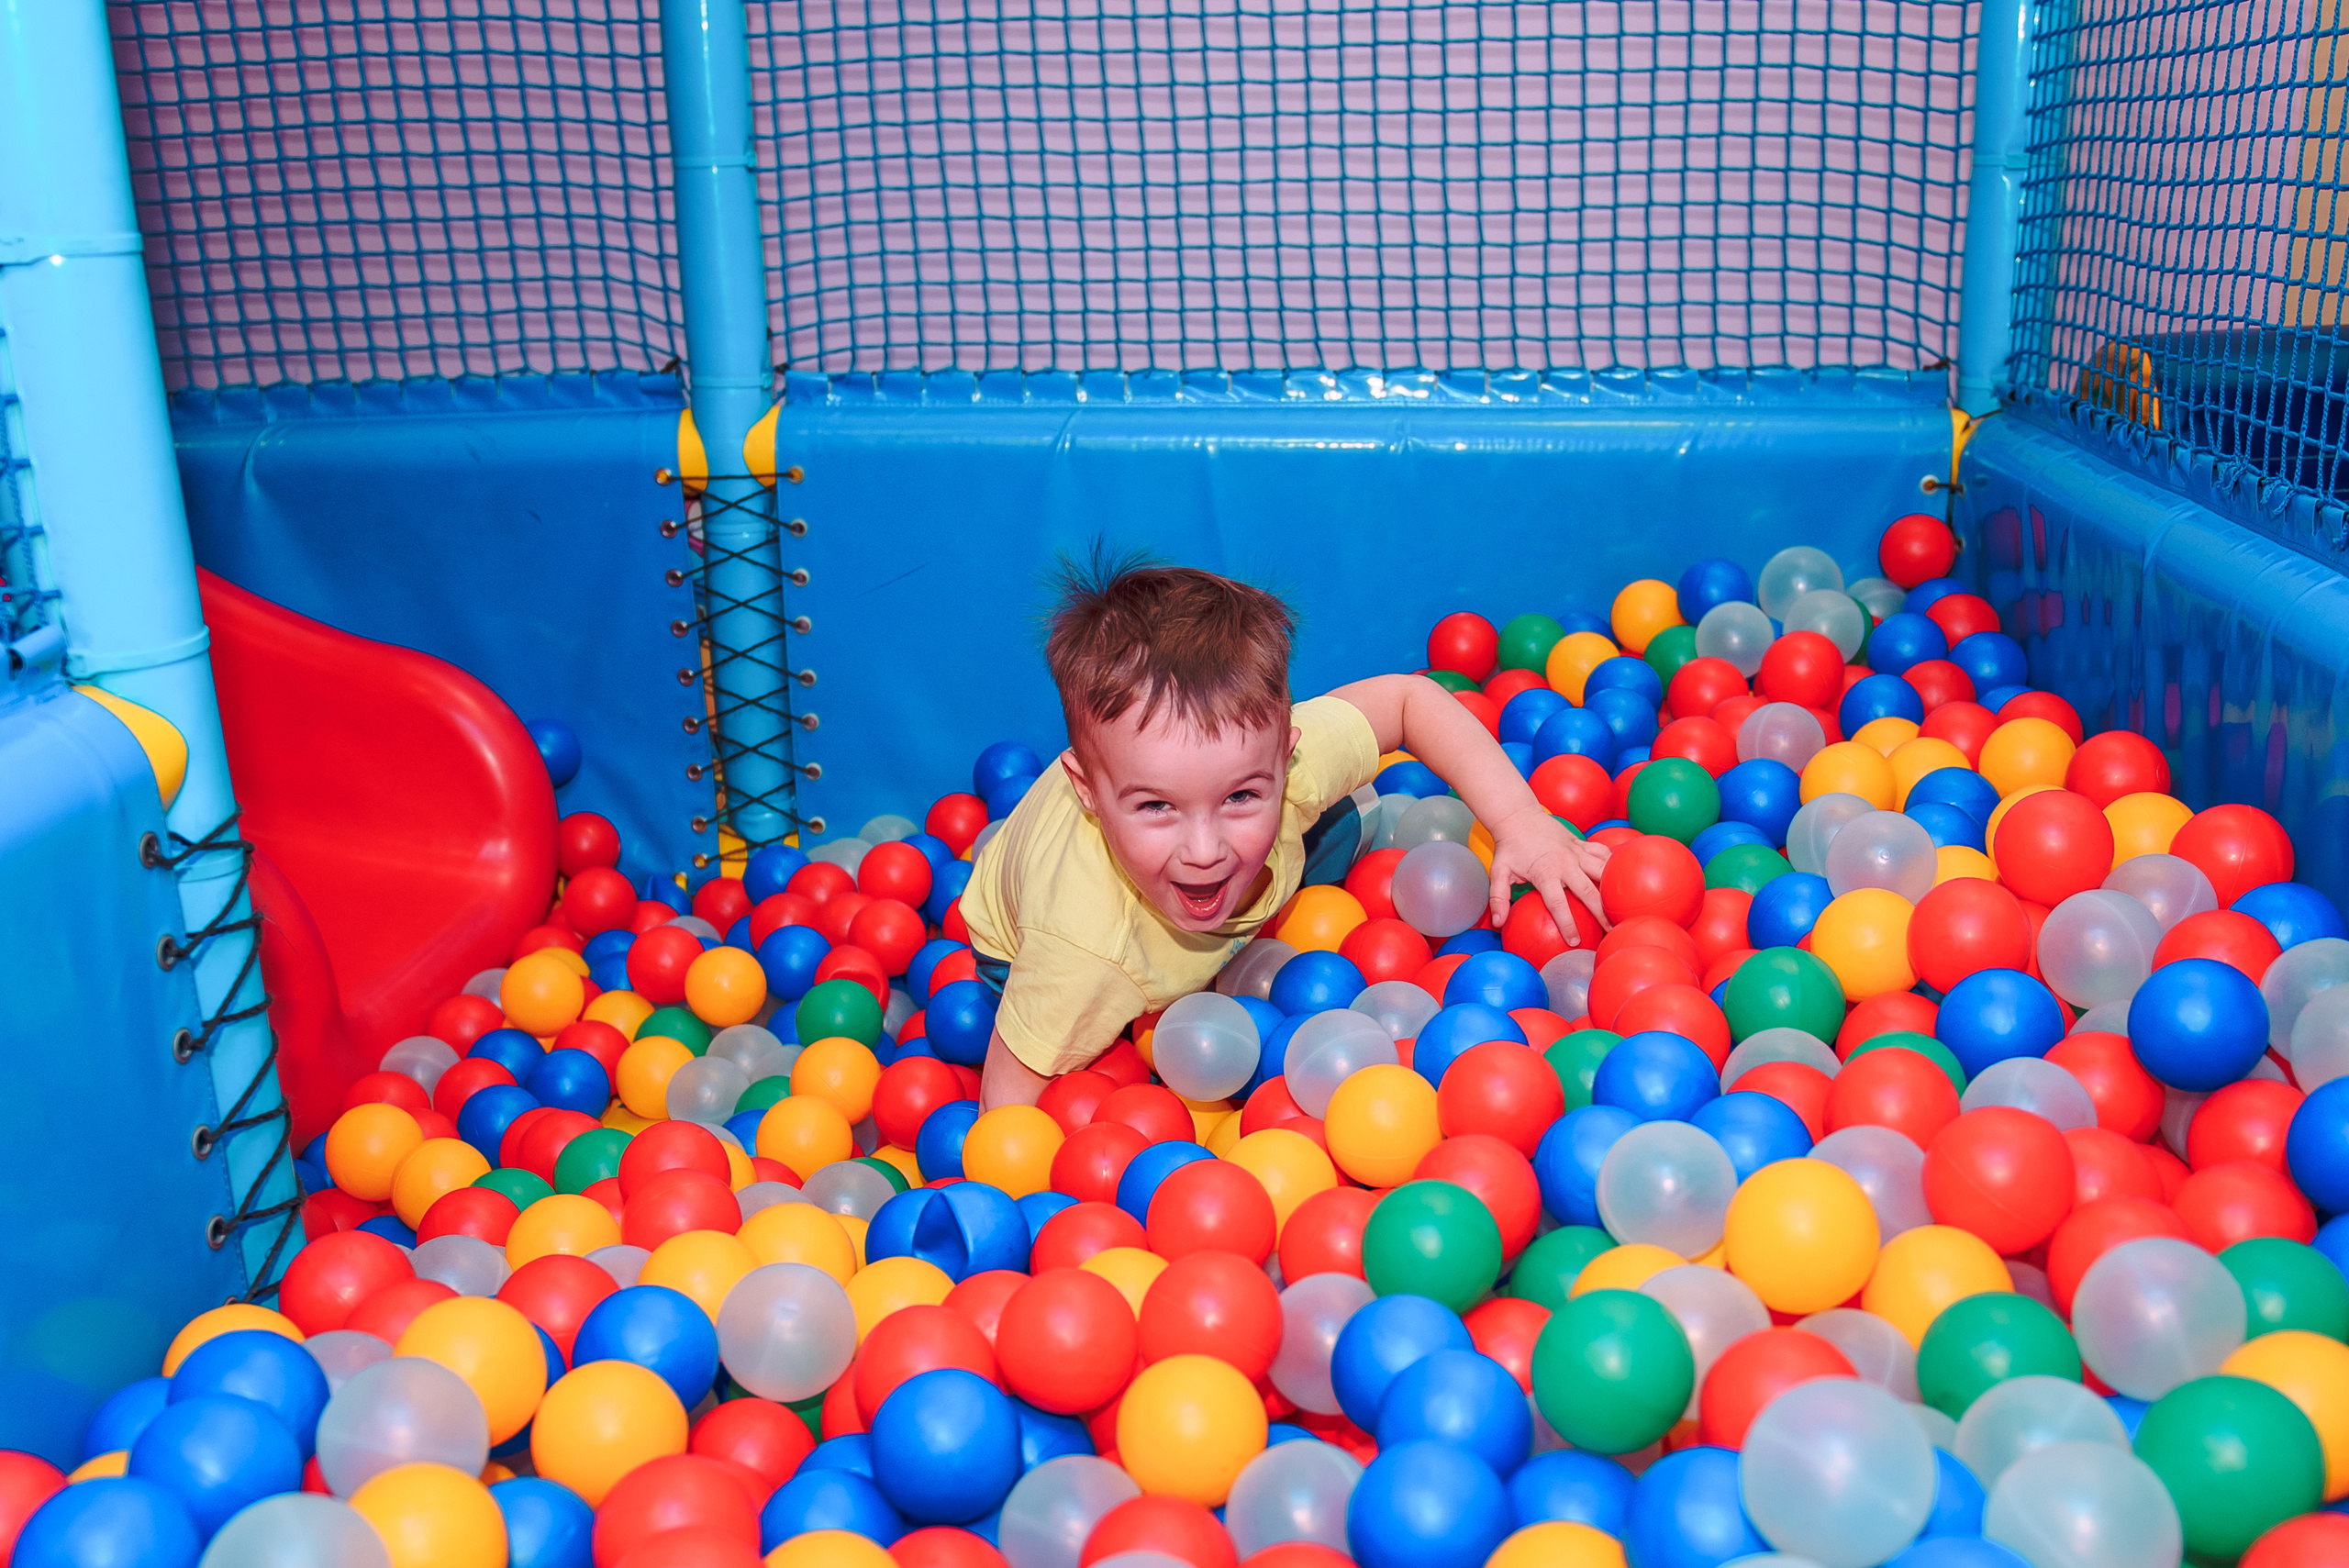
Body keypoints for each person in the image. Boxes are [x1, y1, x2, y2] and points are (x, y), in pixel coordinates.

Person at [962, 555, 1611, 1108]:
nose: (1205, 847)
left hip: (1199, 859)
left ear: (1285, 754)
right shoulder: (1080, 952)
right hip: (1023, 946)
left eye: (1240, 795)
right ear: (1090, 793)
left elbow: (1410, 699)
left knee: (1353, 813)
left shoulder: (1284, 765)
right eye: (1157, 807)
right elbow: (1007, 1108)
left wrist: (1523, 822)